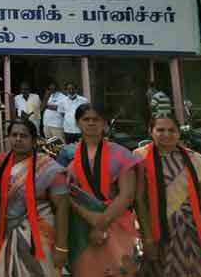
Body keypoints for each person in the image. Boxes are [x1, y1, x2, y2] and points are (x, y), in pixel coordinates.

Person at [133, 114, 201, 276]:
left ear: (179, 133)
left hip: (194, 235)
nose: (166, 134)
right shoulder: (140, 157)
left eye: (172, 130)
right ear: (151, 131)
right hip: (159, 235)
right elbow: (139, 200)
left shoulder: (195, 160)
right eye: (160, 130)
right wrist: (147, 239)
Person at [55, 103, 139, 277]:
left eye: (96, 119)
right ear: (78, 123)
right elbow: (63, 193)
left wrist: (101, 224)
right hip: (81, 227)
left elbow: (127, 196)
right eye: (86, 119)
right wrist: (88, 217)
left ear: (104, 123)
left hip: (116, 223)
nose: (91, 123)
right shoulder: (67, 154)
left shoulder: (121, 153)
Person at [0, 118, 69, 276]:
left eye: (24, 136)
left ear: (34, 141)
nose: (18, 139)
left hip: (40, 235)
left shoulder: (49, 167)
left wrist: (61, 247)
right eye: (14, 135)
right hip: (5, 231)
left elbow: (62, 208)